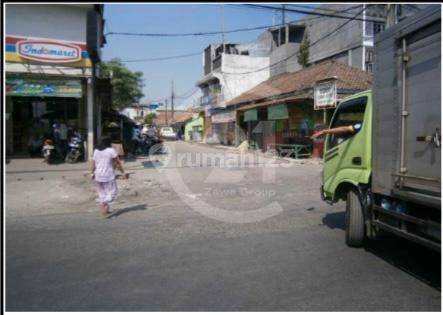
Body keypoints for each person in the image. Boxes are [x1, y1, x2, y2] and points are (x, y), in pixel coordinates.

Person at [90, 136, 128, 216]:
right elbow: (117, 163)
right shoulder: (111, 151)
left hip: (98, 175)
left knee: (102, 193)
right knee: (112, 193)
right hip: (108, 176)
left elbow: (93, 163)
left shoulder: (96, 151)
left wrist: (91, 173)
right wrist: (123, 172)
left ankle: (105, 210)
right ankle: (104, 203)